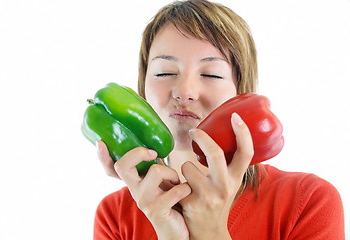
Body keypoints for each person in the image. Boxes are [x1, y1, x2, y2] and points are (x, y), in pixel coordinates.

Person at [93, 0, 345, 239]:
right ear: (141, 87)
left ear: (241, 92)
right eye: (165, 72)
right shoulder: (114, 216)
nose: (184, 92)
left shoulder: (308, 200)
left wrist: (210, 233)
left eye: (212, 75)